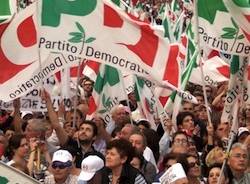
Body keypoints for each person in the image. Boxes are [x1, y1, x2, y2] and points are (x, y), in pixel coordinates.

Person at [41, 89, 104, 168]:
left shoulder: (97, 156)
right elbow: (56, 126)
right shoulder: (70, 145)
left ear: (94, 136)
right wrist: (48, 102)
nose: (83, 131)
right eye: (81, 129)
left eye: (88, 130)